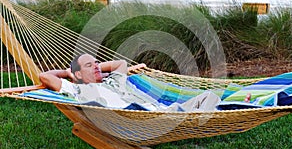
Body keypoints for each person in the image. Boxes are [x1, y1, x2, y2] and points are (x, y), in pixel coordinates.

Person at [39, 53, 220, 111]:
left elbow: (120, 64)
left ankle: (235, 108)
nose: (96, 67)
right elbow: (45, 77)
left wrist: (95, 68)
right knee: (200, 112)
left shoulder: (113, 82)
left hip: (162, 111)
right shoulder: (78, 91)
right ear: (77, 75)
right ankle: (230, 110)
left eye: (97, 63)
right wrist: (68, 73)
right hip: (142, 117)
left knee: (209, 96)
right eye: (89, 65)